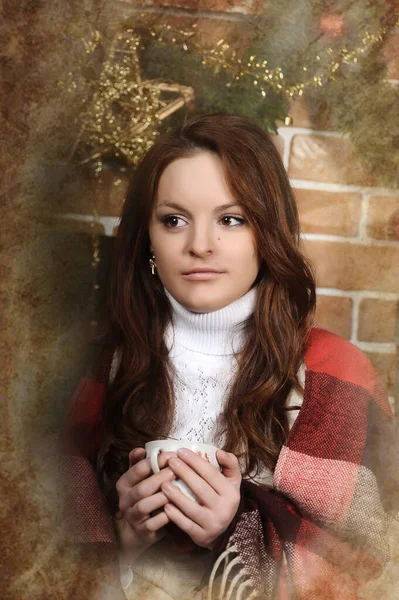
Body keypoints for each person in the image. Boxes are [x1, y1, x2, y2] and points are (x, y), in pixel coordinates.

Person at [61, 113, 399, 600]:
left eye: (230, 219)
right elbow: (41, 541)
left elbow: (378, 568)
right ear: (148, 240)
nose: (200, 245)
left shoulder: (335, 371)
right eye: (174, 220)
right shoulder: (109, 365)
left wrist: (236, 529)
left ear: (266, 233)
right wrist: (125, 542)